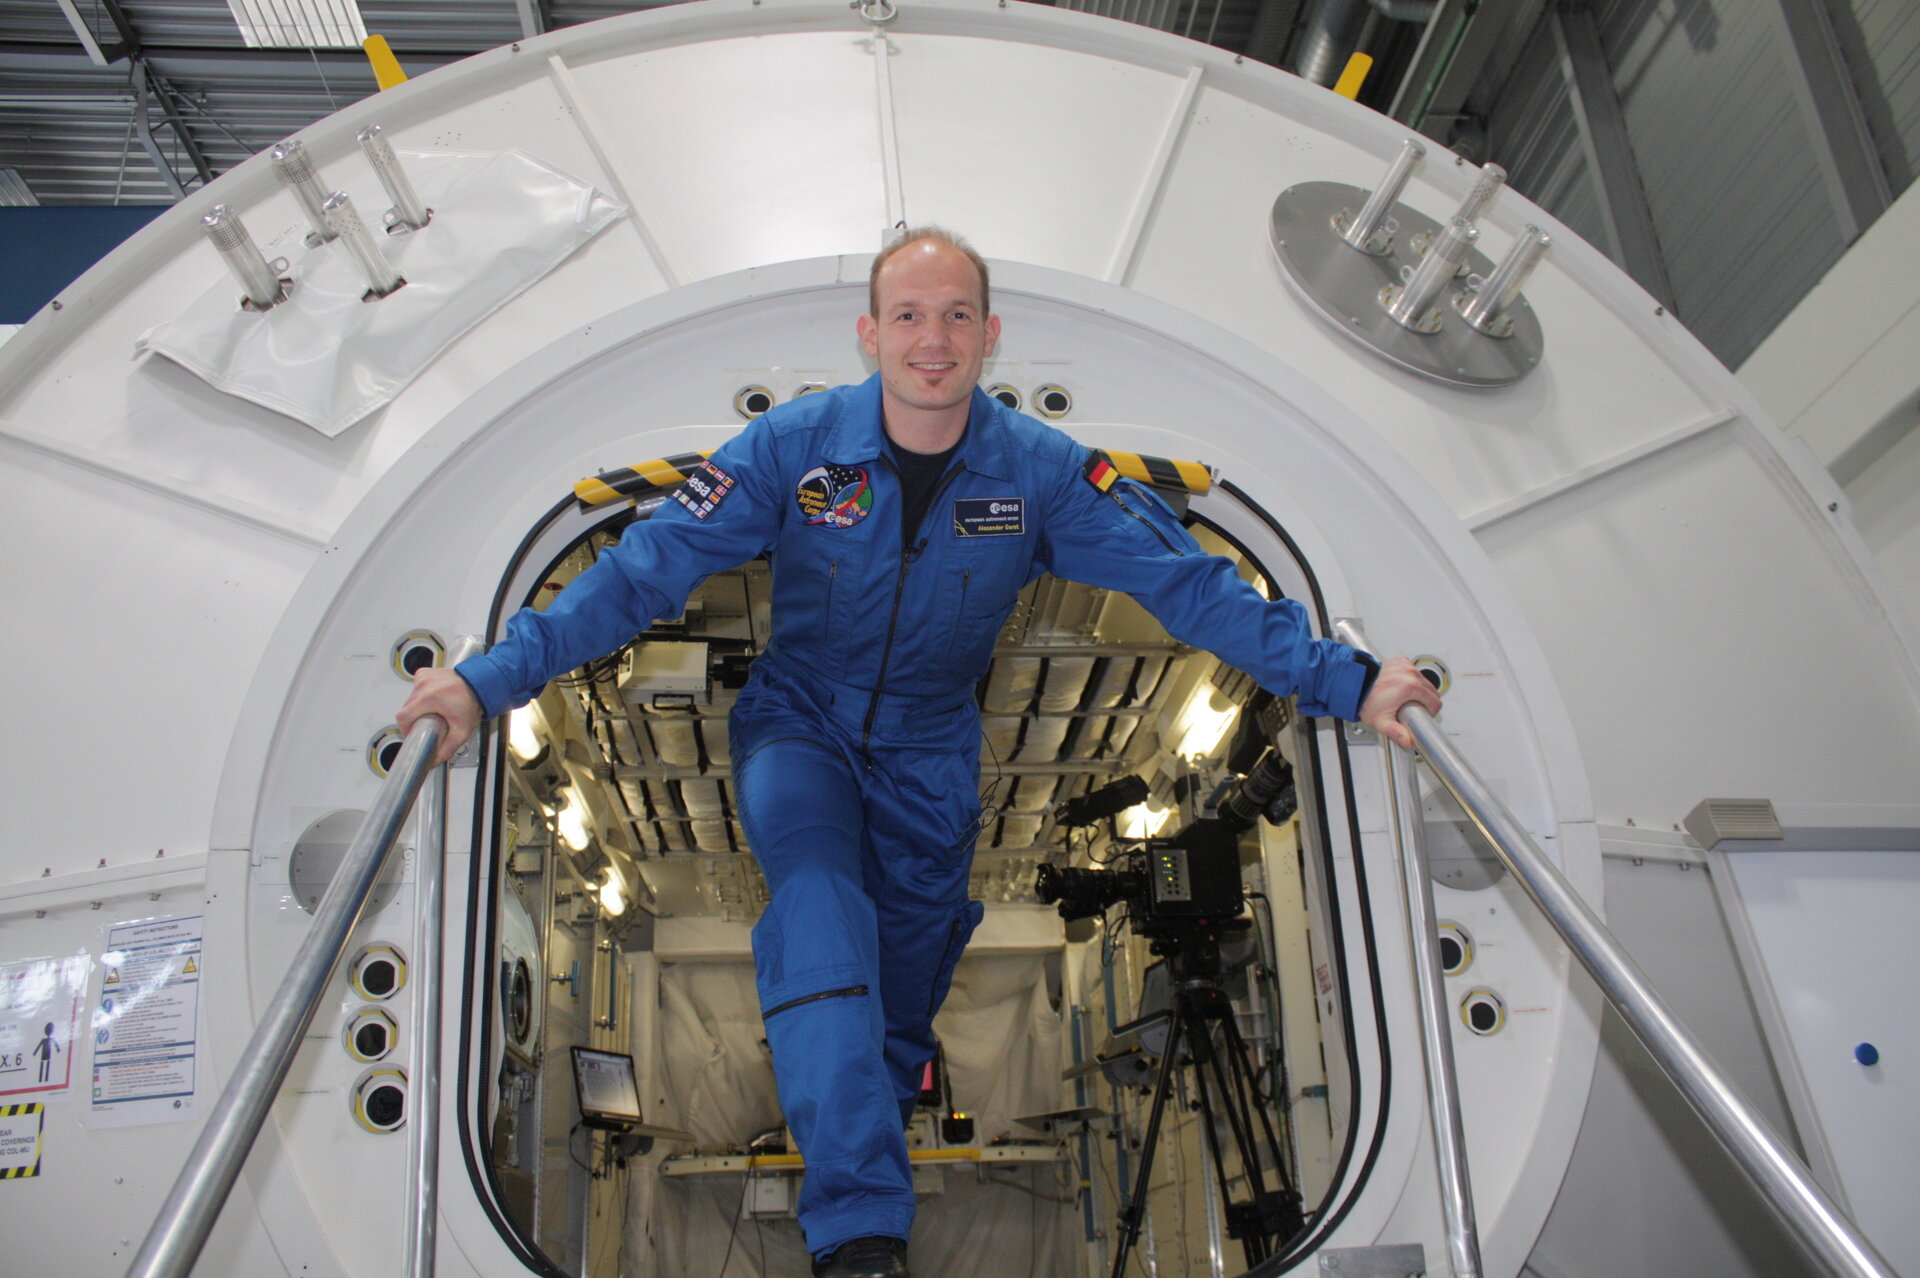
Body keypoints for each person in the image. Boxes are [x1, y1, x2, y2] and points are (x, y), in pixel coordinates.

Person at [399, 227, 1442, 1278]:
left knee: (904, 985)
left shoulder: (1040, 473)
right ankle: (858, 1233)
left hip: (934, 752)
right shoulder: (793, 448)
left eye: (954, 317)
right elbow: (638, 575)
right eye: (908, 316)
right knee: (818, 910)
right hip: (800, 726)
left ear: (989, 336)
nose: (931, 341)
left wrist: (1345, 680)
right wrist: (485, 683)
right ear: (869, 334)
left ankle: (870, 1126)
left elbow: (1188, 583)